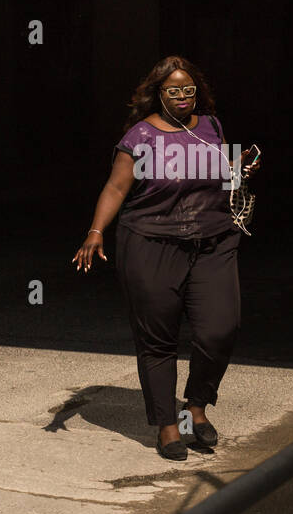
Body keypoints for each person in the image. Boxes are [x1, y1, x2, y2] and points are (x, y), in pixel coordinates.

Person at [72, 56, 259, 460]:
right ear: (158, 94)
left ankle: (196, 407)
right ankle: (168, 426)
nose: (181, 97)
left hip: (213, 242)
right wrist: (95, 231)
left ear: (197, 93)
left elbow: (219, 178)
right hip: (151, 243)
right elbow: (116, 188)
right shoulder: (139, 137)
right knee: (158, 340)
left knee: (220, 329)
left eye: (187, 90)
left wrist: (239, 169)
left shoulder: (211, 126)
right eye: (173, 91)